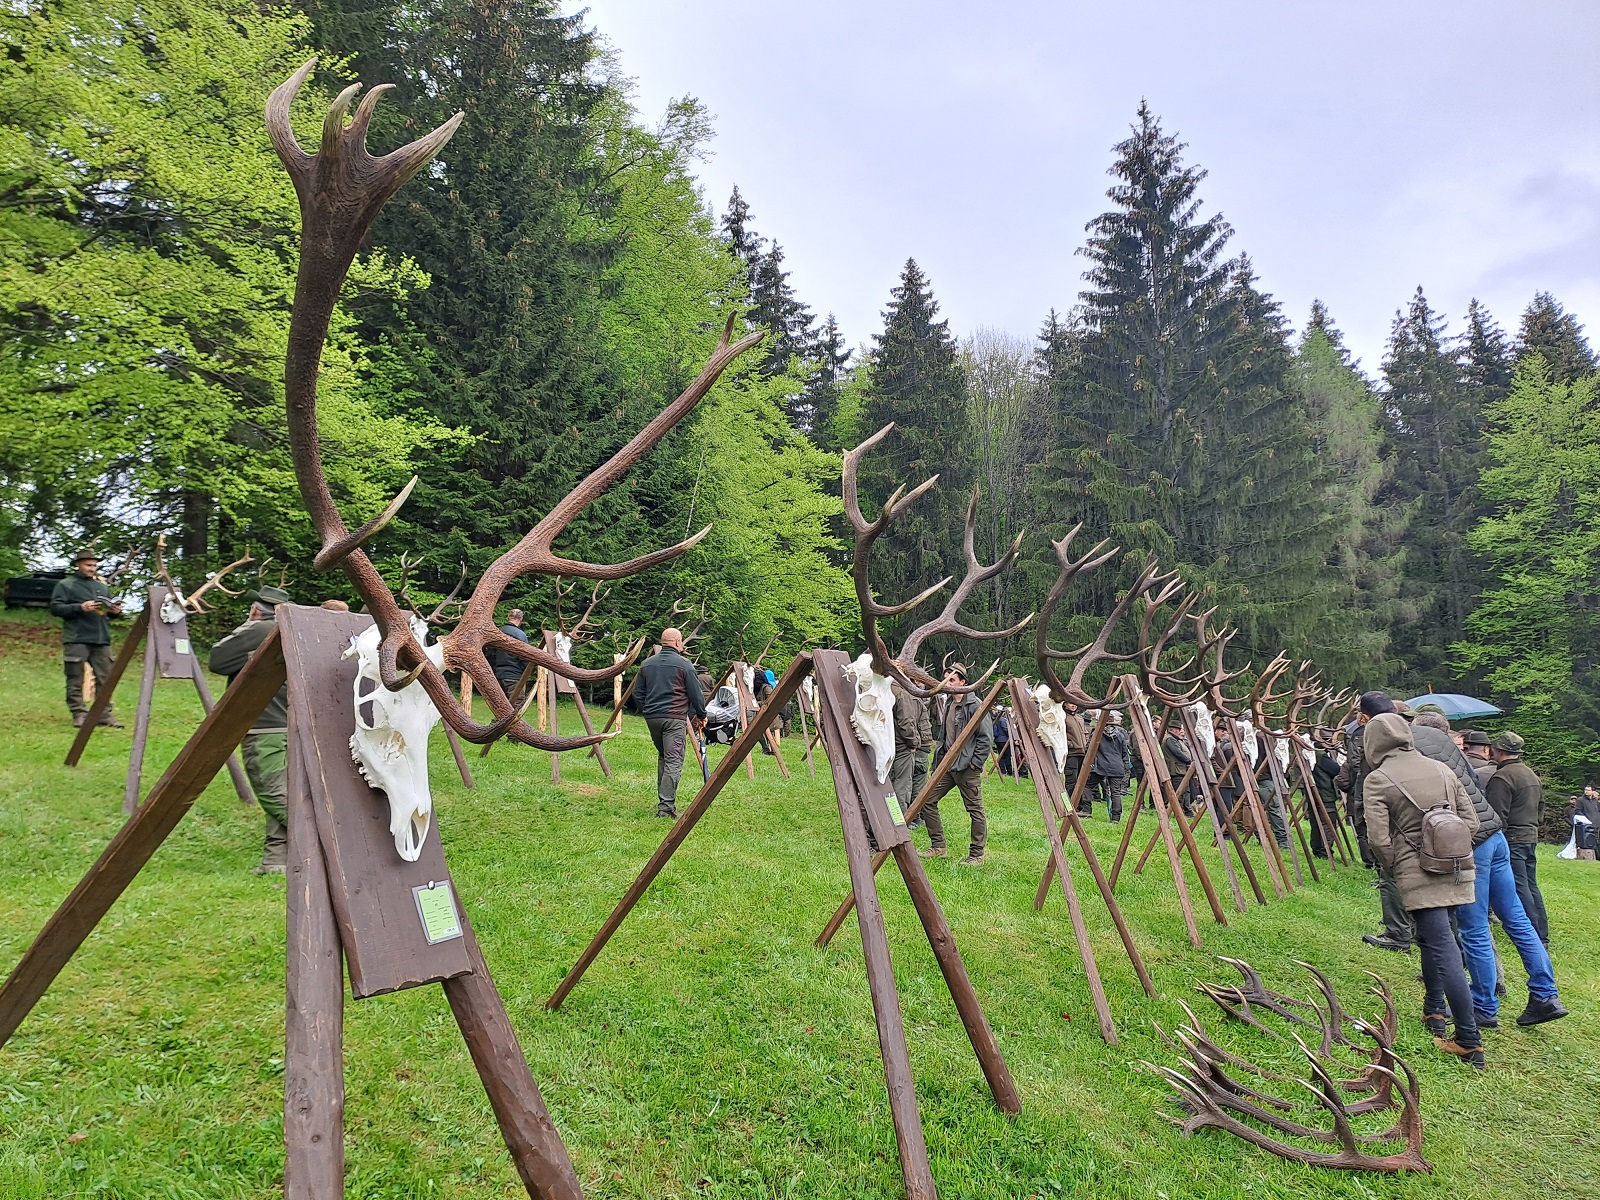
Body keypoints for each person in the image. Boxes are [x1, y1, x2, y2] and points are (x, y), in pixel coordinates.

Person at [1361, 712, 1484, 1068]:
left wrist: (1398, 866)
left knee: (1444, 948)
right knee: (1434, 940)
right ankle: (1434, 1011)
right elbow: (1471, 822)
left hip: (1417, 872)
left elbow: (1379, 840)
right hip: (1458, 867)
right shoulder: (1441, 769)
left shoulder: (1378, 779)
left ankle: (1469, 1040)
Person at [210, 585, 293, 875]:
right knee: (287, 791)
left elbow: (217, 659)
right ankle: (275, 861)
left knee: (272, 792)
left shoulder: (260, 629)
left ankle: (327, 837)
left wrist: (250, 626)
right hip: (291, 724)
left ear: (256, 609)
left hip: (264, 725)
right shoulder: (294, 630)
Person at [1343, 691, 1414, 953]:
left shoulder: (1368, 734)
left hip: (1390, 808)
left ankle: (1398, 933)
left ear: (1364, 715)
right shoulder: (1411, 732)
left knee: (1392, 872)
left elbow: (1363, 768)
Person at [918, 663, 992, 865]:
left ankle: (977, 854)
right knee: (927, 801)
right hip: (947, 767)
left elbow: (986, 738)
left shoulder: (975, 705)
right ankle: (938, 846)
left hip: (967, 768)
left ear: (963, 682)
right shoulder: (948, 703)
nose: (947, 684)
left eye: (951, 680)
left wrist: (975, 765)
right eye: (945, 679)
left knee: (975, 810)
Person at [630, 627, 706, 819]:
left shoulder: (647, 664)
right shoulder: (685, 665)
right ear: (678, 643)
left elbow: (637, 693)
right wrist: (701, 714)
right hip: (674, 719)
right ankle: (665, 808)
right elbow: (696, 694)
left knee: (664, 756)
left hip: (653, 718)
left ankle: (665, 802)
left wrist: (647, 709)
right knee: (673, 760)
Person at [1485, 732, 1549, 947]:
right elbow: (1541, 807)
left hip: (1512, 837)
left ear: (1500, 751)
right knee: (1530, 884)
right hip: (1530, 835)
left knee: (1519, 885)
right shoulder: (1530, 774)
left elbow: (1496, 815)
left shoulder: (1502, 777)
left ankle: (1533, 935)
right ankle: (1542, 932)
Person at [49, 550, 124, 728]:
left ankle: (103, 714)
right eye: (88, 565)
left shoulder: (102, 587)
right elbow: (56, 608)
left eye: (94, 565)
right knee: (75, 678)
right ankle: (79, 714)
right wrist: (80, 607)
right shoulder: (66, 585)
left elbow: (106, 613)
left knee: (106, 678)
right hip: (77, 637)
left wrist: (115, 612)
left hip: (101, 638)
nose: (92, 568)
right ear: (78, 564)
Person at [1089, 710, 1131, 821]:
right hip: (1116, 766)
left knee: (1087, 786)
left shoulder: (1096, 733)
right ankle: (1116, 818)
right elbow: (1124, 752)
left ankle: (1086, 809)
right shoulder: (1121, 735)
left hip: (1101, 766)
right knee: (1115, 792)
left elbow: (1089, 749)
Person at [491, 608, 532, 697]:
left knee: (501, 706)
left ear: (509, 617)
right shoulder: (521, 635)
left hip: (499, 675)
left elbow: (492, 654)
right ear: (521, 619)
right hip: (515, 676)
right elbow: (525, 657)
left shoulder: (499, 632)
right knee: (516, 706)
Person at [1065, 701, 1088, 814]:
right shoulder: (1062, 716)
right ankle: (1069, 806)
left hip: (1082, 753)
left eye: (1075, 703)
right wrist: (1070, 745)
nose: (1073, 705)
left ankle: (1080, 805)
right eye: (1071, 703)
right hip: (1071, 754)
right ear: (1065, 704)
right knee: (1071, 781)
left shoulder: (1079, 718)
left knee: (1081, 781)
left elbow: (1085, 733)